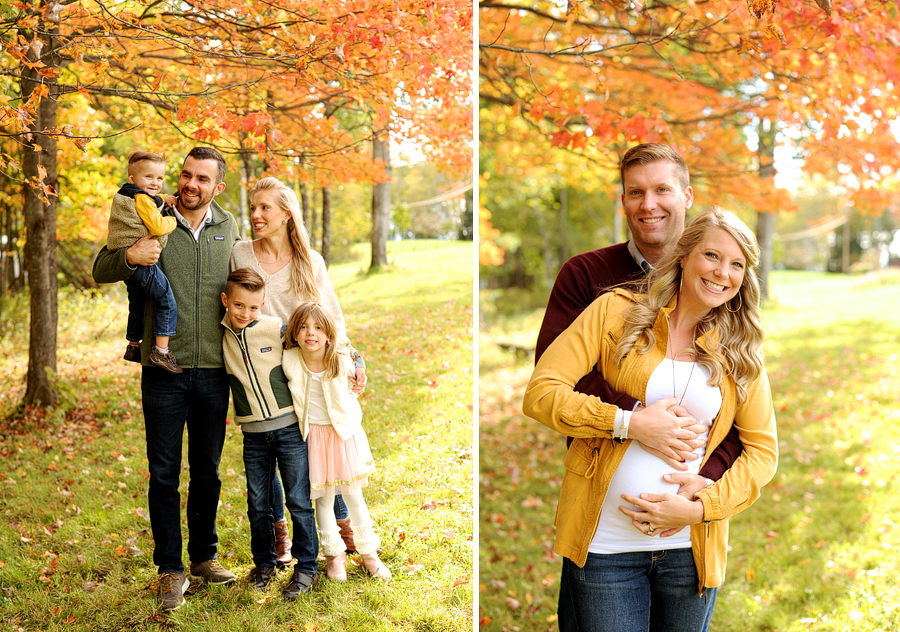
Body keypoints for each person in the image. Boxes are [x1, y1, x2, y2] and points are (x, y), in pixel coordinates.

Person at [523, 207, 779, 631]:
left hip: (690, 550)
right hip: (606, 548)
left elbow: (763, 451)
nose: (723, 273)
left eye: (737, 264)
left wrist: (701, 509)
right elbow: (542, 393)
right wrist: (629, 423)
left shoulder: (740, 350)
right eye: (712, 256)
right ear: (683, 255)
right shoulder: (615, 313)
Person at [534, 143, 743, 488]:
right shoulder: (585, 274)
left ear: (687, 196)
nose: (648, 204)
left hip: (689, 512)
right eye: (636, 192)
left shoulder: (718, 283)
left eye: (662, 189)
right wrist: (637, 418)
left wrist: (706, 481)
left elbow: (740, 407)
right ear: (623, 202)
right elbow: (554, 378)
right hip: (598, 486)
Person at [92, 146, 239, 612]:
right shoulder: (151, 213)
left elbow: (252, 288)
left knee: (209, 472)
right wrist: (131, 256)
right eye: (186, 175)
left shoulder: (229, 227)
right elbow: (100, 268)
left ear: (217, 187)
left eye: (202, 179)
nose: (190, 184)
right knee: (163, 473)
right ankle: (170, 570)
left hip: (215, 370)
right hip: (163, 370)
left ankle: (204, 558)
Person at [229, 176, 367, 565]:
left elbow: (331, 317)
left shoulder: (310, 260)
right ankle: (279, 535)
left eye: (264, 208)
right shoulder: (240, 253)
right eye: (253, 208)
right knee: (266, 452)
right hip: (259, 374)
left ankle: (341, 529)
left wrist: (353, 358)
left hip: (306, 369)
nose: (255, 215)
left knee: (322, 443)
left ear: (286, 215)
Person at [220, 268, 320, 599]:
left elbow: (314, 342)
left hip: (289, 429)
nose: (245, 314)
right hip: (253, 436)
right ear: (226, 301)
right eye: (238, 306)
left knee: (298, 499)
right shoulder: (220, 336)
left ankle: (307, 567)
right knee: (258, 503)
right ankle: (264, 564)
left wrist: (353, 359)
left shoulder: (275, 329)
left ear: (262, 303)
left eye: (253, 307)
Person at [282, 302, 390, 581]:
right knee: (323, 499)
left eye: (318, 327)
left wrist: (360, 364)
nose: (310, 333)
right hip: (314, 436)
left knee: (354, 496)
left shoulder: (340, 359)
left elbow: (353, 353)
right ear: (294, 333)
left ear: (329, 334)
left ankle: (369, 553)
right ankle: (334, 556)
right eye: (303, 327)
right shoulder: (290, 359)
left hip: (344, 435)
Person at [106, 150, 181, 374]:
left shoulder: (131, 195)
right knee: (166, 299)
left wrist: (163, 200)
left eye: (159, 178)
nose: (155, 183)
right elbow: (157, 225)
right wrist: (172, 220)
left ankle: (133, 345)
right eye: (148, 177)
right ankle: (161, 351)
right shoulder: (141, 198)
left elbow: (149, 205)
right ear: (133, 180)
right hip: (141, 263)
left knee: (137, 302)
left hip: (129, 265)